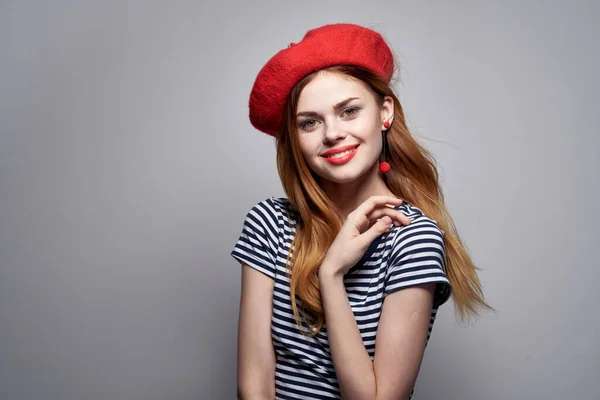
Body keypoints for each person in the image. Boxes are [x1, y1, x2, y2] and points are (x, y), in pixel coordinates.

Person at [230, 23, 492, 400]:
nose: (332, 133)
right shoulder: (268, 224)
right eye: (309, 122)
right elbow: (253, 386)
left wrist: (331, 274)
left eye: (349, 111)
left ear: (384, 112)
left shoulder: (414, 238)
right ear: (295, 138)